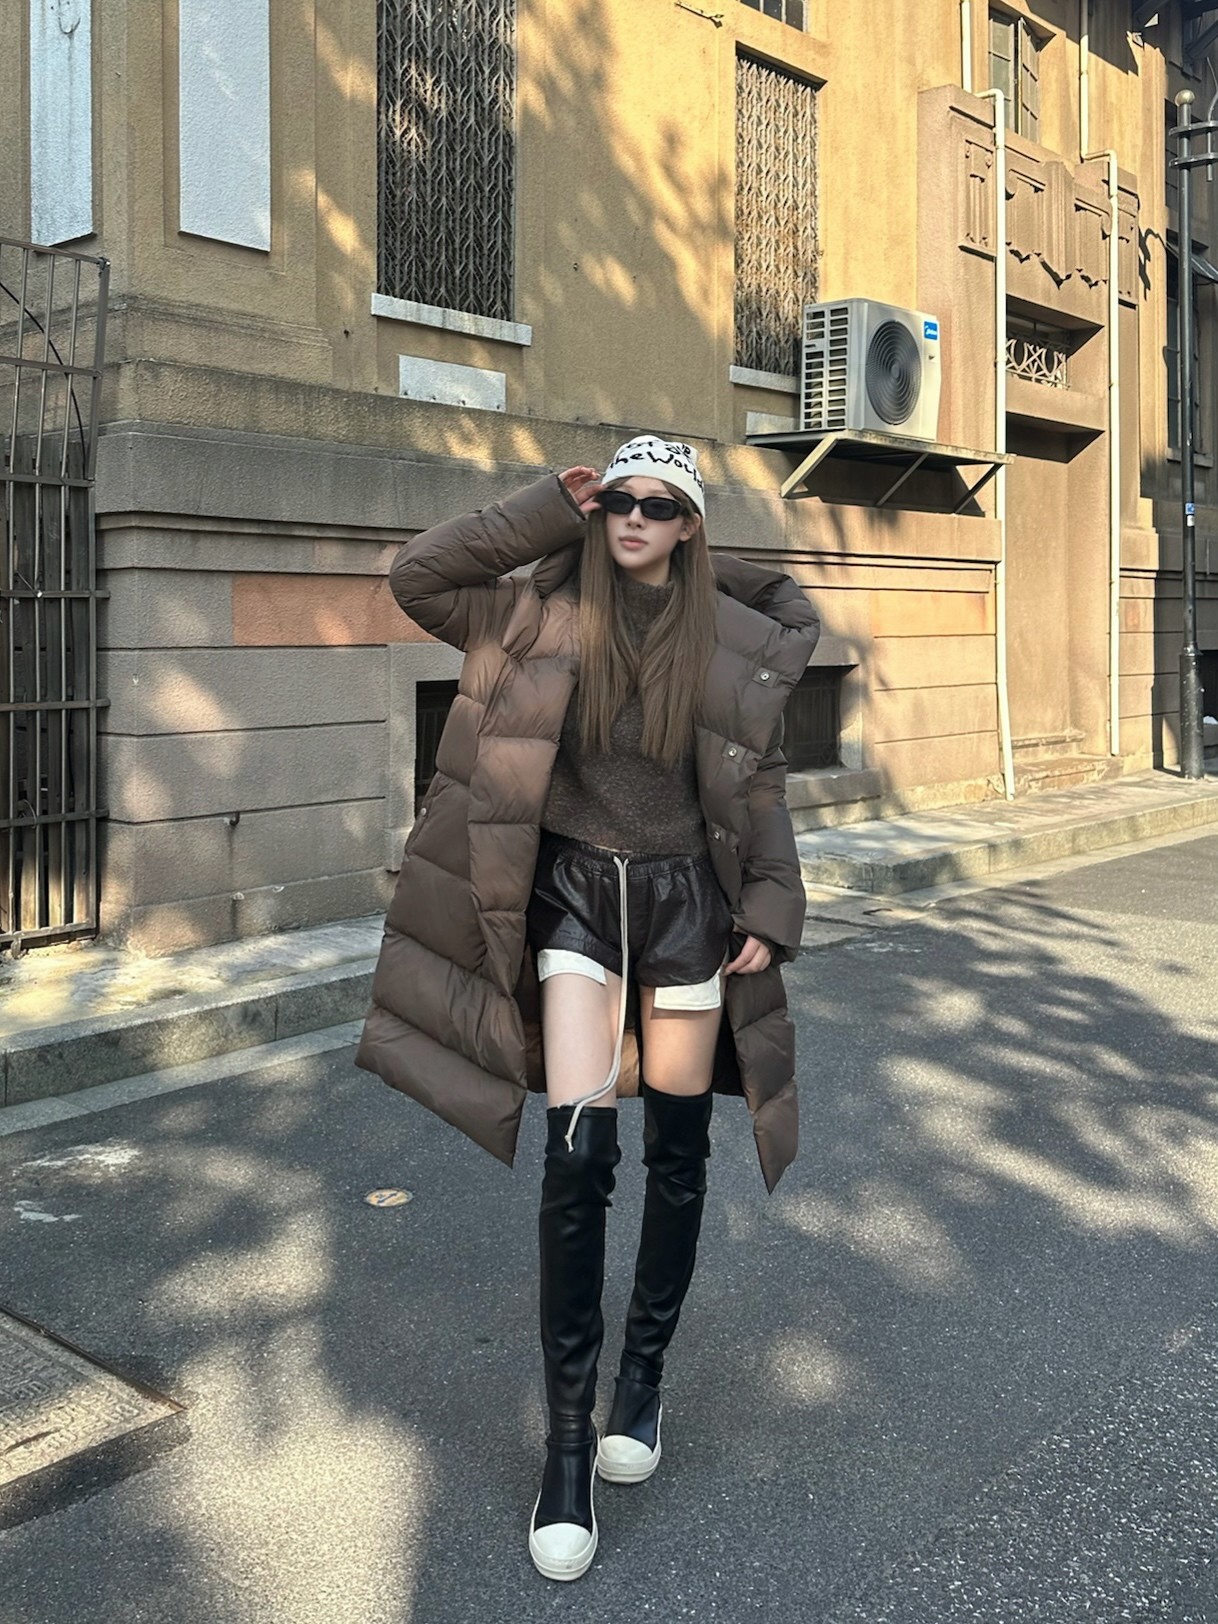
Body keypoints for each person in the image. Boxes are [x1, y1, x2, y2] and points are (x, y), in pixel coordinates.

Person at [356, 436, 819, 1581]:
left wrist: (770, 900)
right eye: (618, 500)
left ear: (690, 524)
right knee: (578, 1159)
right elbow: (419, 577)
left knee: (677, 1153)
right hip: (572, 900)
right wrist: (537, 513)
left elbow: (755, 779)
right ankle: (567, 1446)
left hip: (684, 906)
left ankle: (641, 1382)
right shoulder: (538, 613)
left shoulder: (726, 639)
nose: (634, 518)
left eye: (660, 505)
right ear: (595, 508)